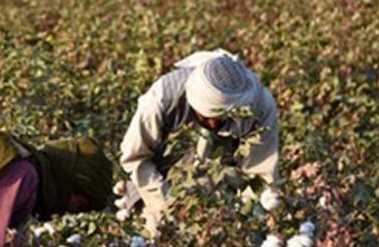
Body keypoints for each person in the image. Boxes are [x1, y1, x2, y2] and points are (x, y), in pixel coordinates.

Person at [118, 49, 279, 232]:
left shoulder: (260, 106)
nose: (213, 124)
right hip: (160, 181)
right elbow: (135, 157)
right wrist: (165, 207)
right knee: (158, 236)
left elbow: (260, 175)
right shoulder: (163, 98)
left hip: (221, 192)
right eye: (206, 117)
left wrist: (244, 223)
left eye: (221, 118)